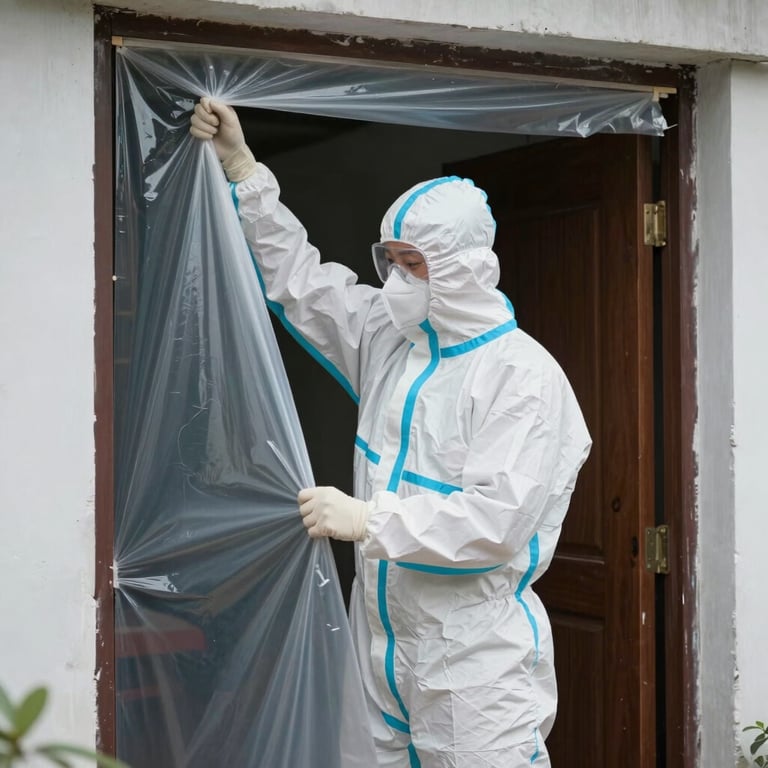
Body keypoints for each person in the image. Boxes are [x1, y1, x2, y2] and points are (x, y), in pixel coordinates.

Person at [190, 97, 592, 768]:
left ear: (465, 266)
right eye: (392, 260)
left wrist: (370, 520)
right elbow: (306, 285)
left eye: (416, 263)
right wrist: (243, 170)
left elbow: (495, 524)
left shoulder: (520, 377)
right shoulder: (390, 337)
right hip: (380, 646)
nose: (398, 278)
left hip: (472, 665)